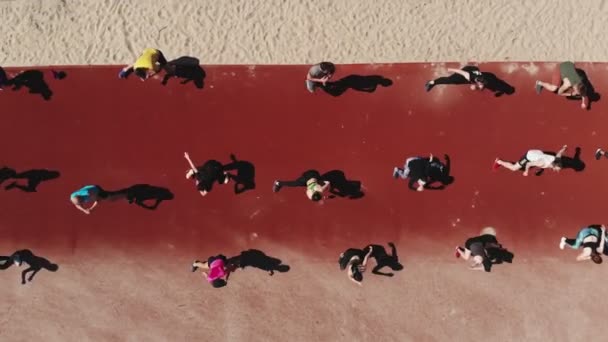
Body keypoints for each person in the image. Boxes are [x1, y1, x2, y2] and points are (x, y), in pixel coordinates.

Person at [493, 145, 568, 176]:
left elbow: (559, 153)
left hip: (538, 152)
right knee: (514, 168)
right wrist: (526, 171)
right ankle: (499, 161)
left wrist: (564, 147)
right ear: (554, 165)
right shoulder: (542, 163)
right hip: (529, 156)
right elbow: (529, 164)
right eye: (556, 169)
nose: (557, 171)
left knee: (541, 160)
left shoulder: (557, 159)